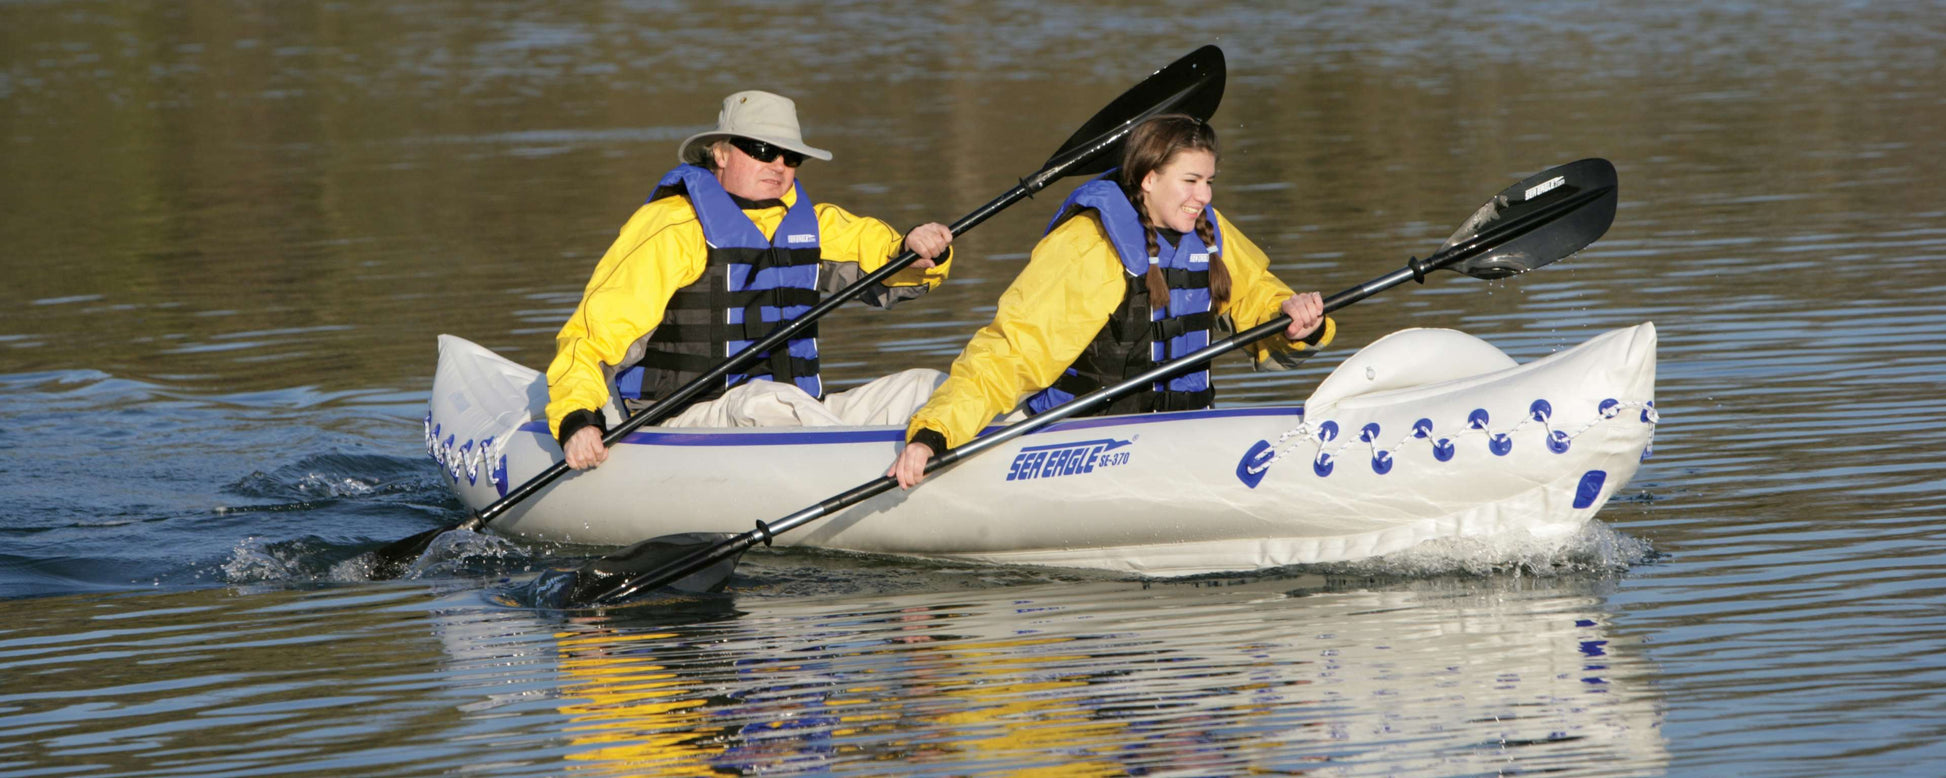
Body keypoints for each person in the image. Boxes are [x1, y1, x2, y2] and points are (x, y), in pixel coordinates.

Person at [889, 114, 1333, 489]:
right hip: (1083, 446)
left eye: (1210, 181)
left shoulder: (1205, 232)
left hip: (1182, 433)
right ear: (1150, 178)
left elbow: (1258, 295)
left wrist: (1294, 319)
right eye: (1192, 181)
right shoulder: (1090, 244)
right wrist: (934, 435)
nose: (1205, 195)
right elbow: (1012, 350)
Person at [548, 90, 956, 471]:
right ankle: (867, 467)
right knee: (766, 401)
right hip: (681, 424)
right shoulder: (672, 227)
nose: (778, 165)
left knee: (925, 386)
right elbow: (594, 336)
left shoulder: (814, 225)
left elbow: (889, 261)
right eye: (763, 150)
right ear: (720, 153)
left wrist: (917, 251)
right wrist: (578, 418)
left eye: (791, 157)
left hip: (794, 418)